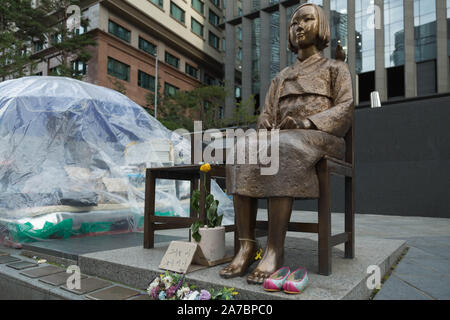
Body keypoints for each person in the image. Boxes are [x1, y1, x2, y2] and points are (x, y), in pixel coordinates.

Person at [220, 3, 354, 284]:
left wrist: (307, 122)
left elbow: (345, 108)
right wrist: (266, 123)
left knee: (280, 149)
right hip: (283, 136)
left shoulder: (335, 68)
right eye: (295, 23)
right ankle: (247, 245)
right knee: (243, 148)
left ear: (321, 27)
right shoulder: (280, 77)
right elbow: (267, 113)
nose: (299, 26)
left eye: (307, 20)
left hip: (322, 137)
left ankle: (274, 249)